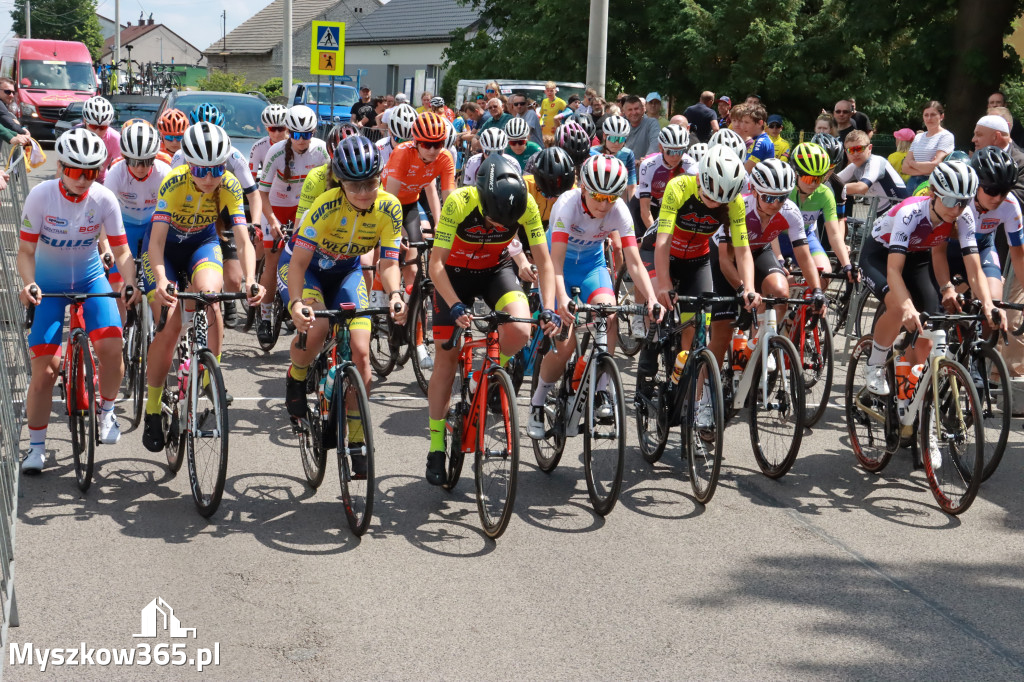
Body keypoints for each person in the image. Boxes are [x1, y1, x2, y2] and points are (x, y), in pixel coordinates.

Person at [425, 155, 557, 484]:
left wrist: (551, 306)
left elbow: (545, 262)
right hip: (452, 276)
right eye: (494, 221)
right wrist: (455, 306)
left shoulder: (525, 206)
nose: (500, 228)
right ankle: (437, 445)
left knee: (520, 328)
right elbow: (435, 265)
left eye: (505, 226)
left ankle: (483, 377)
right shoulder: (459, 202)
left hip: (495, 271)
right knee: (446, 359)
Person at [282, 137, 406, 478]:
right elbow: (297, 264)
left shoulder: (390, 207)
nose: (364, 192)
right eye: (354, 185)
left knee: (362, 352)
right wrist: (295, 303)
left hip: (347, 272)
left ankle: (355, 439)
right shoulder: (323, 206)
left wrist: (395, 294)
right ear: (339, 181)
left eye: (370, 182)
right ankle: (297, 375)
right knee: (319, 328)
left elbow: (389, 262)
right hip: (308, 271)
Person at [18, 129, 140, 472]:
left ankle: (107, 412)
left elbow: (121, 250)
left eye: (92, 172)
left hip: (90, 278)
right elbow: (25, 251)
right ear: (61, 168)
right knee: (44, 372)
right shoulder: (41, 197)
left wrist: (129, 281)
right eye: (76, 171)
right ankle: (37, 447)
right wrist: (29, 284)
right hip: (48, 284)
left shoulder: (104, 199)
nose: (84, 180)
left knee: (112, 349)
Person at [141, 122, 264, 451]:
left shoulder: (229, 185)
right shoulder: (173, 182)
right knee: (169, 322)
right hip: (165, 250)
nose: (209, 178)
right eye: (200, 170)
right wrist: (162, 278)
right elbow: (154, 243)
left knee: (211, 296)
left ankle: (211, 376)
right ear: (188, 164)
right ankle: (153, 407)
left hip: (200, 244)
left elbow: (242, 237)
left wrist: (251, 278)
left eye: (216, 169)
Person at [527, 155, 659, 438]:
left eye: (610, 198)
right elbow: (556, 266)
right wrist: (561, 300)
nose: (603, 204)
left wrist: (650, 298)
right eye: (598, 196)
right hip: (557, 267)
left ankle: (601, 391)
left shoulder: (619, 210)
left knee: (609, 313)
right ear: (584, 188)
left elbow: (635, 263)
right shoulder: (567, 204)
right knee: (563, 343)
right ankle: (538, 400)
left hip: (591, 266)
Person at [859, 161, 999, 396]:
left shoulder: (963, 217)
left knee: (934, 321)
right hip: (881, 256)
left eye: (964, 202)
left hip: (916, 257)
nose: (956, 209)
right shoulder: (910, 212)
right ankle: (875, 363)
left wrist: (987, 304)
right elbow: (894, 270)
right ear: (933, 194)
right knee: (896, 305)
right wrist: (906, 306)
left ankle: (908, 396)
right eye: (951, 201)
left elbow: (973, 268)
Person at [646, 145, 758, 376]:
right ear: (700, 180)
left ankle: (681, 383)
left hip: (697, 259)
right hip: (659, 251)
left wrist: (749, 288)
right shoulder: (678, 186)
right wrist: (665, 284)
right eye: (709, 197)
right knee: (656, 313)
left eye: (721, 201)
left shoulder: (734, 203)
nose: (714, 204)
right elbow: (664, 241)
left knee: (696, 325)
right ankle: (645, 372)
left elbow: (743, 250)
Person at [255, 105, 331, 345]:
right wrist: (272, 221)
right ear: (288, 132)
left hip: (306, 208)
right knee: (273, 260)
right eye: (296, 135)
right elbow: (262, 194)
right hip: (276, 208)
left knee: (307, 259)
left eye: (306, 134)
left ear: (314, 132)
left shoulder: (320, 149)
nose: (301, 140)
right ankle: (265, 317)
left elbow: (330, 186)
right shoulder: (276, 152)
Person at [103, 122, 173, 304]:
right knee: (118, 289)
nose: (140, 168)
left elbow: (172, 214)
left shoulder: (165, 172)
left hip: (154, 226)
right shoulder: (116, 173)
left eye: (147, 161)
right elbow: (104, 216)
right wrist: (105, 249)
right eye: (134, 162)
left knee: (161, 283)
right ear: (125, 157)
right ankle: (123, 329)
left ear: (155, 157)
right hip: (125, 227)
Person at [779, 142, 854, 278]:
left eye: (819, 178)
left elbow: (835, 235)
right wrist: (778, 258)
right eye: (809, 178)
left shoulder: (825, 193)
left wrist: (847, 265)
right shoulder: (783, 190)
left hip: (806, 237)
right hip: (777, 237)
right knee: (779, 285)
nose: (814, 184)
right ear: (796, 174)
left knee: (824, 275)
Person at [836, 130, 910, 214]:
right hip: (883, 212)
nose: (855, 154)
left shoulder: (875, 161)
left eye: (859, 149)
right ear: (846, 152)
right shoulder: (854, 166)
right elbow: (832, 181)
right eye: (851, 150)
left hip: (901, 210)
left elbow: (861, 188)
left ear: (869, 148)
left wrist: (832, 189)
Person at [900, 101, 954, 192]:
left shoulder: (946, 136)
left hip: (932, 185)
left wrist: (912, 163)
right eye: (926, 115)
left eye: (933, 115)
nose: (929, 118)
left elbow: (937, 166)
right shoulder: (918, 137)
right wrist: (927, 168)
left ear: (941, 116)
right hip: (912, 184)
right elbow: (904, 168)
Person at [590, 115, 637, 200]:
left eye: (621, 139)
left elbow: (632, 186)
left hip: (618, 199)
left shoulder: (628, 154)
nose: (616, 143)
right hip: (596, 198)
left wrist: (631, 209)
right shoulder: (592, 153)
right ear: (604, 136)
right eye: (612, 138)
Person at [79, 96, 120, 182]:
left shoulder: (114, 138)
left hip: (101, 180)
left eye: (103, 127)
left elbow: (120, 168)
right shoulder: (74, 134)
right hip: (77, 179)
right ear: (84, 121)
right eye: (93, 126)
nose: (97, 131)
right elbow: (61, 169)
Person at [248, 104, 289, 177]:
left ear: (287, 128)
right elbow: (251, 179)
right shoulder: (258, 147)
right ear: (266, 128)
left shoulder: (297, 144)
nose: (277, 134)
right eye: (272, 129)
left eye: (281, 129)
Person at [732, 103, 774, 172]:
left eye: (746, 122)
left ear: (760, 123)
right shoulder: (757, 140)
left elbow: (745, 171)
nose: (742, 126)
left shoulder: (761, 142)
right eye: (742, 122)